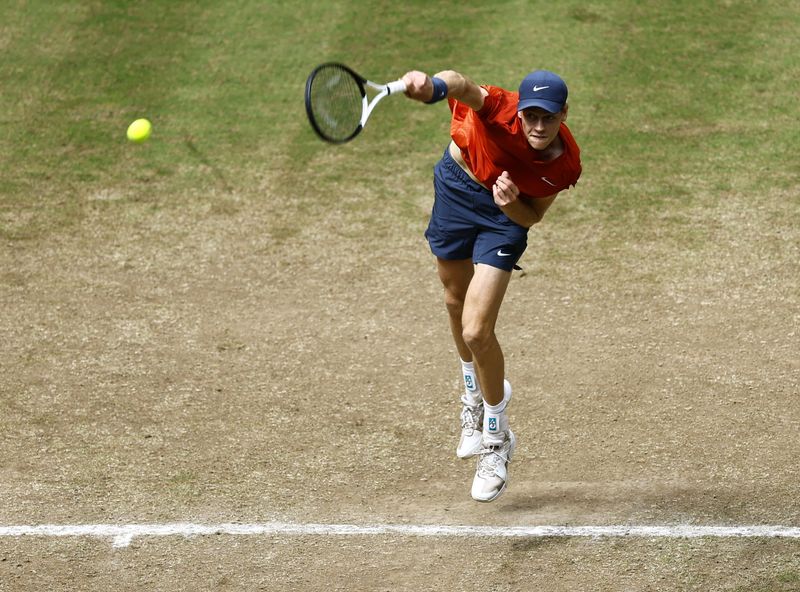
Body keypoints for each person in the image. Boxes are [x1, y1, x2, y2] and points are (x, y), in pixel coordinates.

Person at [401, 68, 582, 502]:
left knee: (476, 330)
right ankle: (474, 396)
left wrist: (511, 203)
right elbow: (461, 83)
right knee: (453, 300)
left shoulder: (565, 163)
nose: (538, 126)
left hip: (504, 220)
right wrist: (432, 87)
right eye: (531, 116)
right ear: (518, 111)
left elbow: (532, 217)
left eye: (548, 118)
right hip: (456, 187)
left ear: (564, 115)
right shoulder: (498, 108)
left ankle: (497, 439)